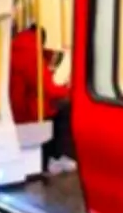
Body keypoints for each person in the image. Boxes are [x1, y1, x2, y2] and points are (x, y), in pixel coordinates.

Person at [9, 24, 75, 174]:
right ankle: (59, 155)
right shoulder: (29, 53)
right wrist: (69, 92)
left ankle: (53, 156)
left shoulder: (18, 46)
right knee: (64, 108)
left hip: (16, 102)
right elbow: (47, 87)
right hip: (25, 107)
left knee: (55, 107)